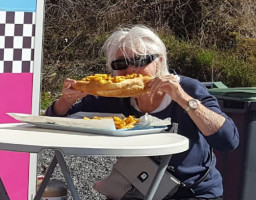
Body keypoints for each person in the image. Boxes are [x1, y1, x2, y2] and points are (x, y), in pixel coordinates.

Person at [45, 25, 239, 200]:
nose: (129, 71)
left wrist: (184, 100)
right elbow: (54, 123)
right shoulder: (113, 95)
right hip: (136, 188)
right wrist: (65, 100)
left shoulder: (189, 89)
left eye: (138, 61)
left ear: (159, 61)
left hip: (192, 191)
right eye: (119, 65)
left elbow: (228, 140)